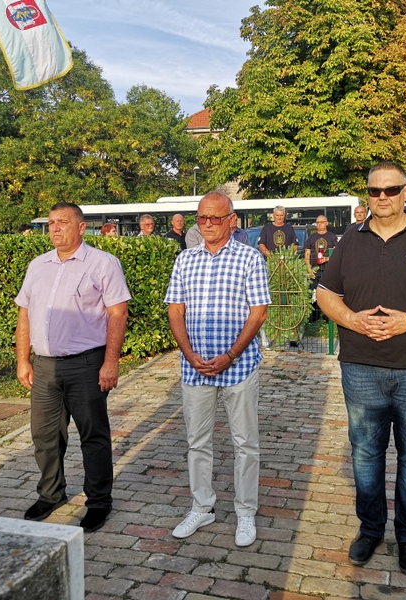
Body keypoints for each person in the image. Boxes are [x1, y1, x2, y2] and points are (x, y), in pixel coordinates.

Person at [316, 161, 406, 573]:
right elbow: (325, 293)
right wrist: (353, 320)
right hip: (361, 367)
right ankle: (370, 530)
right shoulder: (351, 238)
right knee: (366, 454)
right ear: (367, 194)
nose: (382, 197)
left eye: (391, 189)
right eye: (375, 191)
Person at [15, 201, 131, 533]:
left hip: (86, 365)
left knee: (93, 436)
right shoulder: (38, 265)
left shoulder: (103, 263)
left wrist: (111, 363)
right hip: (45, 367)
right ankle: (51, 494)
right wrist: (23, 359)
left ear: (81, 228)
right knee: (45, 435)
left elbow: (118, 314)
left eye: (63, 222)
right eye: (51, 222)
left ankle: (99, 502)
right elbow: (24, 314)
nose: (55, 228)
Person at [164, 191, 270, 547]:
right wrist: (189, 353)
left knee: (245, 443)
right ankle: (201, 506)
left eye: (215, 217)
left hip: (239, 367)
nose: (207, 224)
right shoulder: (185, 260)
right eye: (202, 217)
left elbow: (258, 312)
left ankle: (245, 512)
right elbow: (175, 309)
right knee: (197, 442)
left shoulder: (249, 258)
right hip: (195, 368)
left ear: (232, 220)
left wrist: (231, 355)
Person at [304, 215, 338, 284]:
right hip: (315, 270)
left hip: (329, 270)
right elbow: (307, 254)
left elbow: (337, 252)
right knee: (314, 289)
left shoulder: (332, 237)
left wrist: (327, 259)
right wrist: (309, 269)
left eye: (322, 222)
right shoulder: (311, 238)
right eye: (318, 222)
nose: (319, 224)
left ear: (326, 223)